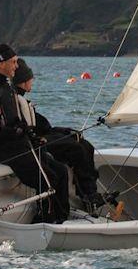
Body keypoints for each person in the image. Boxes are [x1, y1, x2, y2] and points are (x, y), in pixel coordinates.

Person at [0, 43, 69, 224]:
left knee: (60, 170)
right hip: (0, 149)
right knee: (48, 179)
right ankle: (44, 222)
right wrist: (14, 132)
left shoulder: (7, 88)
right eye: (13, 62)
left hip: (18, 145)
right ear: (1, 63)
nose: (16, 66)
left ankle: (62, 218)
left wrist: (29, 134)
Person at [11, 58, 105, 213]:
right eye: (30, 78)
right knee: (76, 148)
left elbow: (43, 126)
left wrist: (66, 131)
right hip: (33, 143)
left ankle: (91, 193)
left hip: (40, 135)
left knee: (85, 145)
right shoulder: (14, 100)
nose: (32, 81)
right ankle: (88, 196)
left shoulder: (22, 99)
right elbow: (30, 129)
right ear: (23, 81)